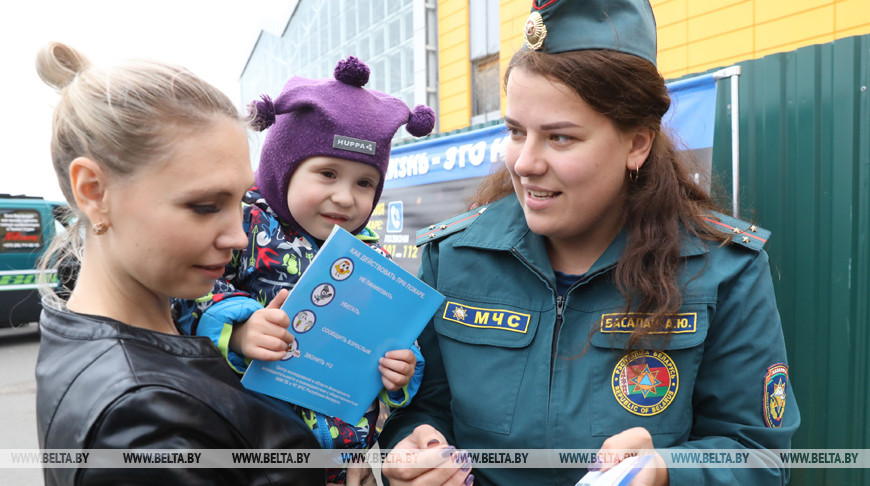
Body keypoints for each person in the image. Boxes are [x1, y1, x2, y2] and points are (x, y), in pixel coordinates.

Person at [378, 1, 799, 485]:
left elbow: (759, 457)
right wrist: (411, 450)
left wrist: (666, 472)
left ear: (637, 143)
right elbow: (420, 407)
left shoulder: (724, 268)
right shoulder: (452, 257)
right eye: (515, 131)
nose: (524, 163)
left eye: (559, 138)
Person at [34, 41, 323, 485]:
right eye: (206, 206)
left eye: (241, 202)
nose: (239, 236)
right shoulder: (145, 423)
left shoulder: (105, 339)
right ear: (93, 191)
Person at [173, 56, 436, 485]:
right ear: (283, 168)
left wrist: (402, 372)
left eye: (364, 183)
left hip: (347, 465)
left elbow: (394, 337)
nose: (346, 197)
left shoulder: (373, 259)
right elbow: (187, 296)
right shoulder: (244, 225)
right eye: (328, 173)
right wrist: (239, 331)